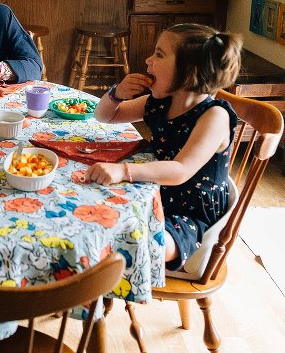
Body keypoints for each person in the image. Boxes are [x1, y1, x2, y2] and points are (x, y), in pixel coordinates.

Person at [84, 23, 243, 271]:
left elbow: (180, 169)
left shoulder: (214, 116)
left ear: (189, 70)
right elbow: (106, 116)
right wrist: (117, 94)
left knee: (131, 246)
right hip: (156, 196)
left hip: (190, 220)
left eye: (159, 54)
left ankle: (95, 288)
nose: (148, 61)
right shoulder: (160, 102)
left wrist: (124, 172)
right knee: (92, 215)